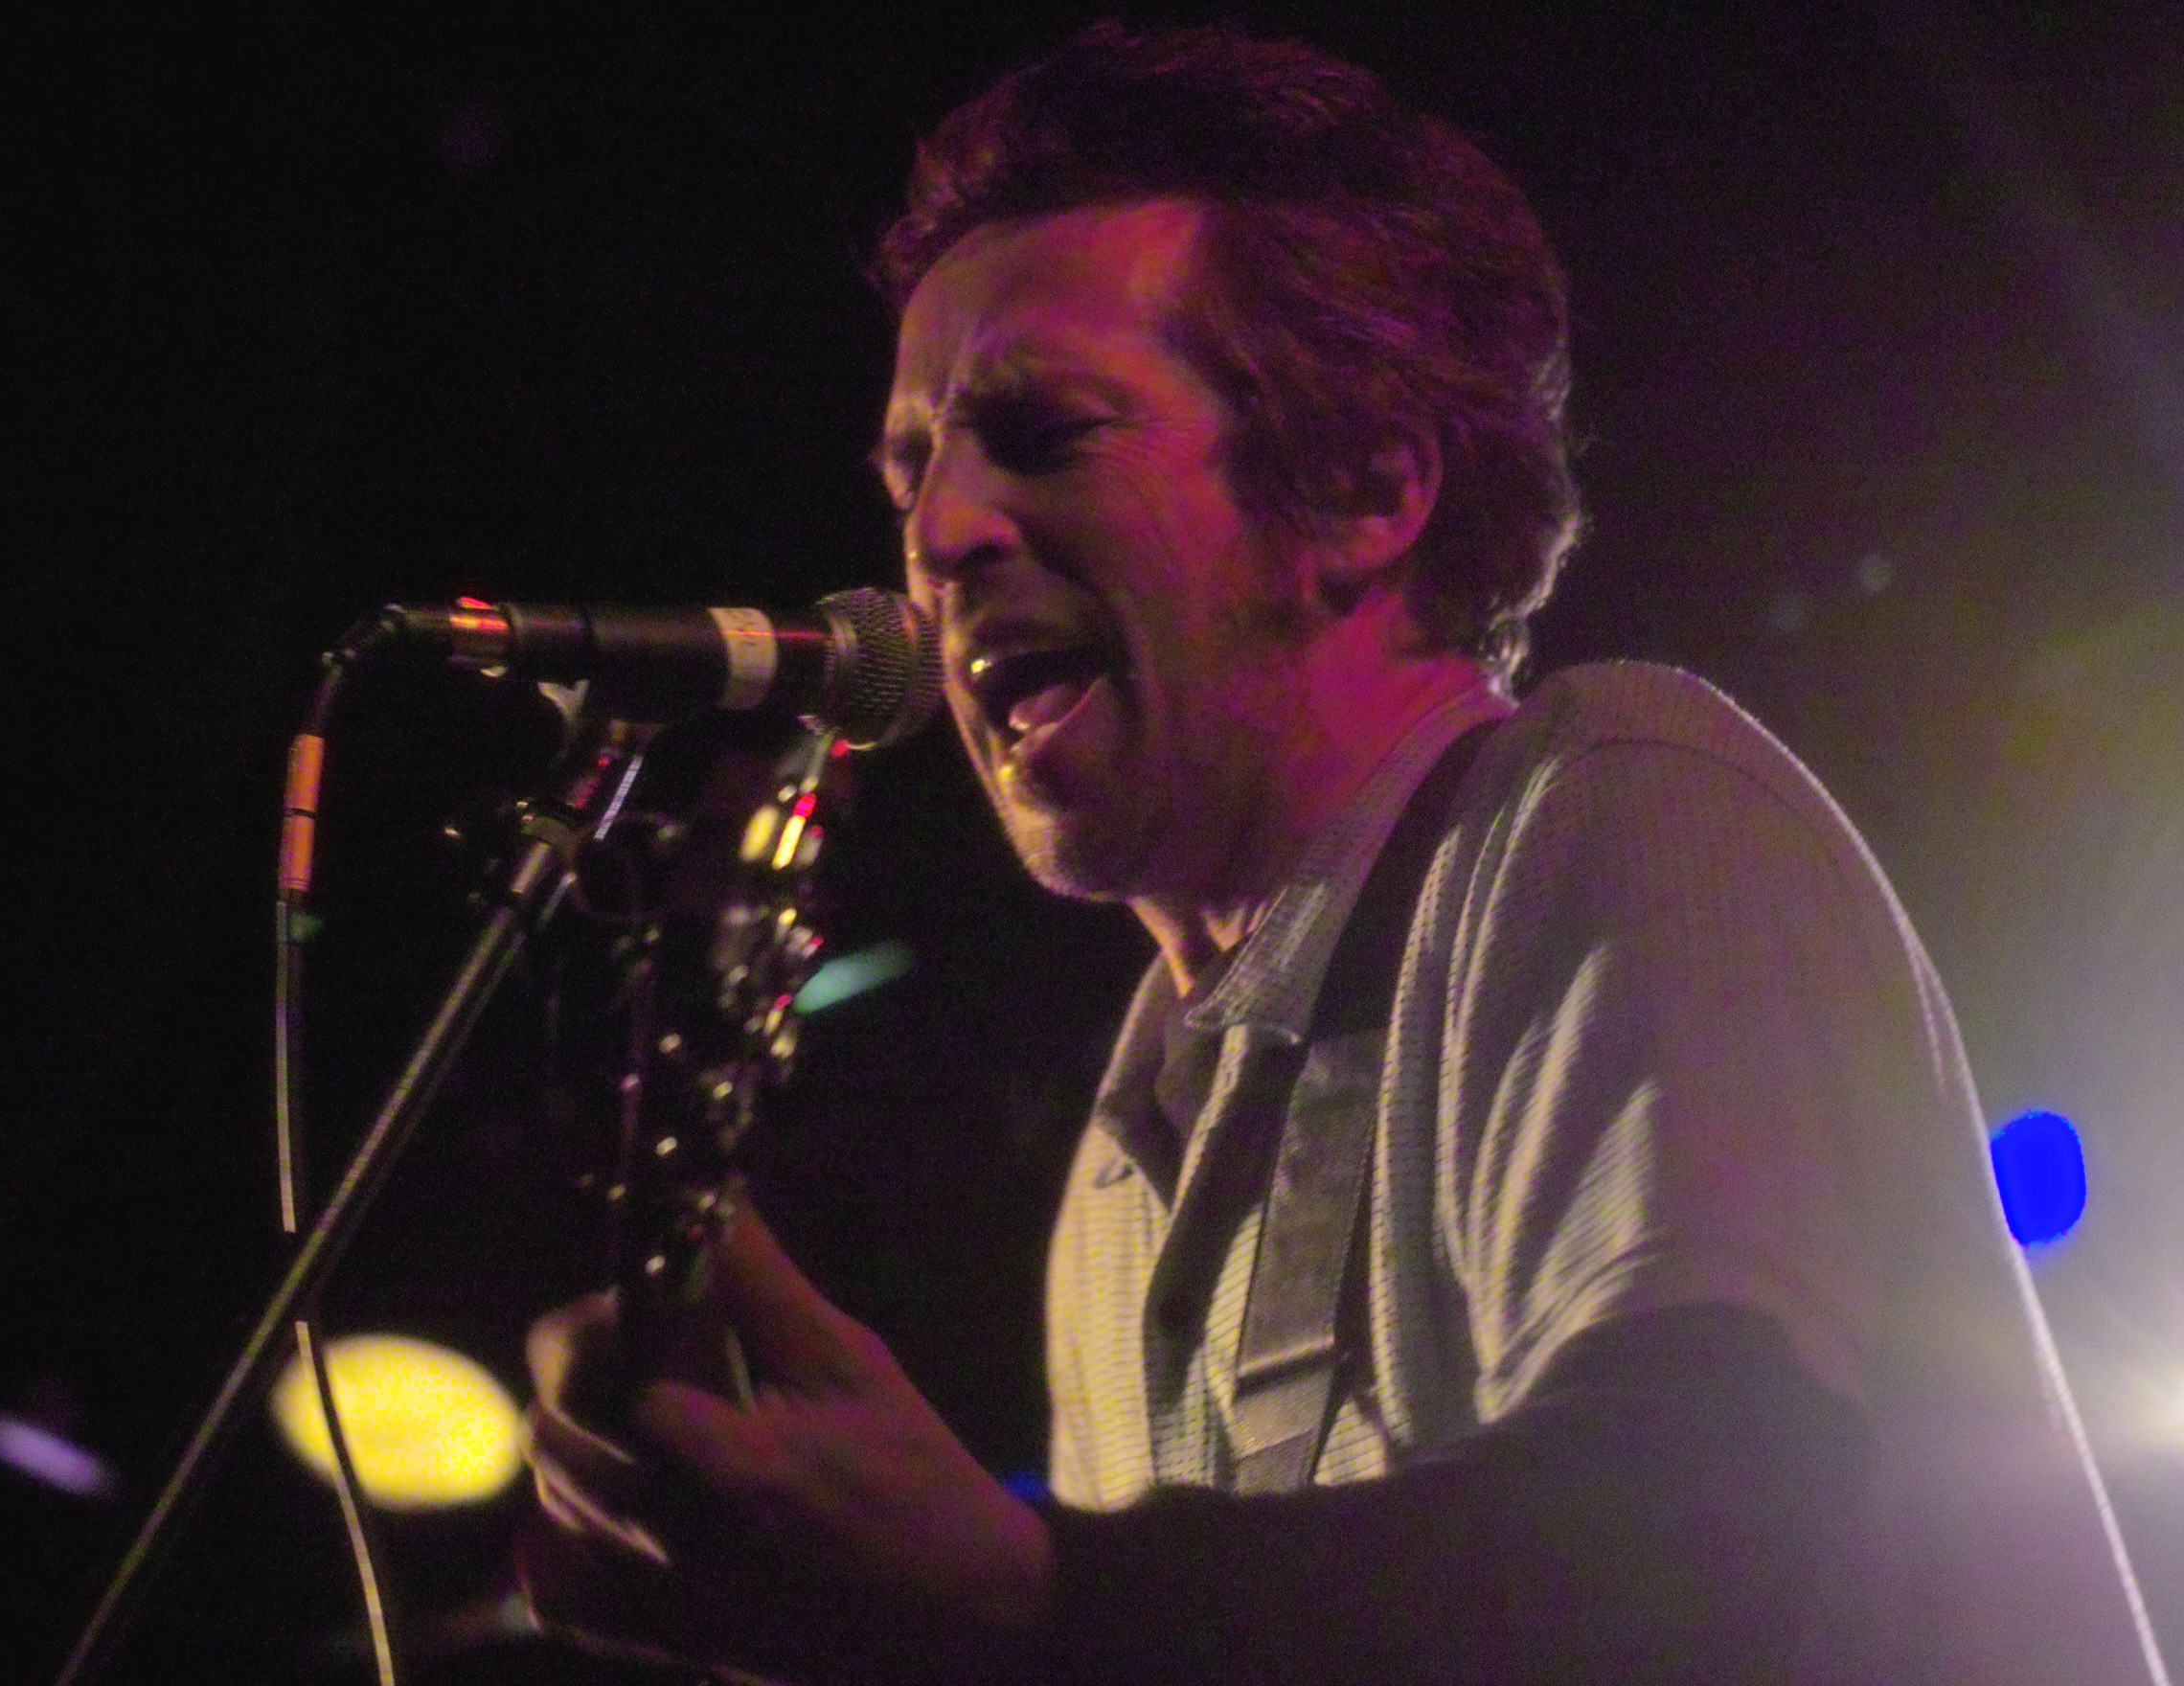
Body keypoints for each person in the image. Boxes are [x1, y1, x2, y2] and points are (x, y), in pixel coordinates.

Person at [518, 24, 2167, 1685]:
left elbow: (1691, 1552)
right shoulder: (1120, 1169)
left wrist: (1015, 1603)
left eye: (1046, 432)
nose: (938, 540)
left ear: (1368, 483)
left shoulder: (1613, 799)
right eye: (911, 473)